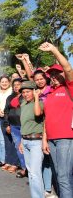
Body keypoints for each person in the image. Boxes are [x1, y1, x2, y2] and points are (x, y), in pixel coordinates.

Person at [40, 42, 73, 198]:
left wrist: (53, 50)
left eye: (56, 74)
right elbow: (47, 118)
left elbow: (67, 68)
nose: (53, 77)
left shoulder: (69, 87)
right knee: (59, 174)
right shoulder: (51, 93)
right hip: (51, 139)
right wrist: (45, 140)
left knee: (64, 177)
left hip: (66, 138)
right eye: (51, 75)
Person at [19, 81, 45, 198]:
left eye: (28, 91)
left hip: (36, 141)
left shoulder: (40, 102)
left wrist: (36, 97)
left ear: (34, 91)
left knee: (35, 173)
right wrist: (21, 141)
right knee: (31, 173)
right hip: (25, 141)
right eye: (23, 92)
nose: (25, 94)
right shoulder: (23, 105)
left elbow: (37, 113)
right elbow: (23, 125)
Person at [3, 78, 26, 177]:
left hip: (25, 125)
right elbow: (6, 111)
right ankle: (24, 168)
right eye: (14, 85)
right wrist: (7, 124)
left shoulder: (25, 95)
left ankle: (29, 168)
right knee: (18, 147)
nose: (16, 86)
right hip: (13, 125)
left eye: (18, 84)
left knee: (27, 147)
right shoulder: (9, 97)